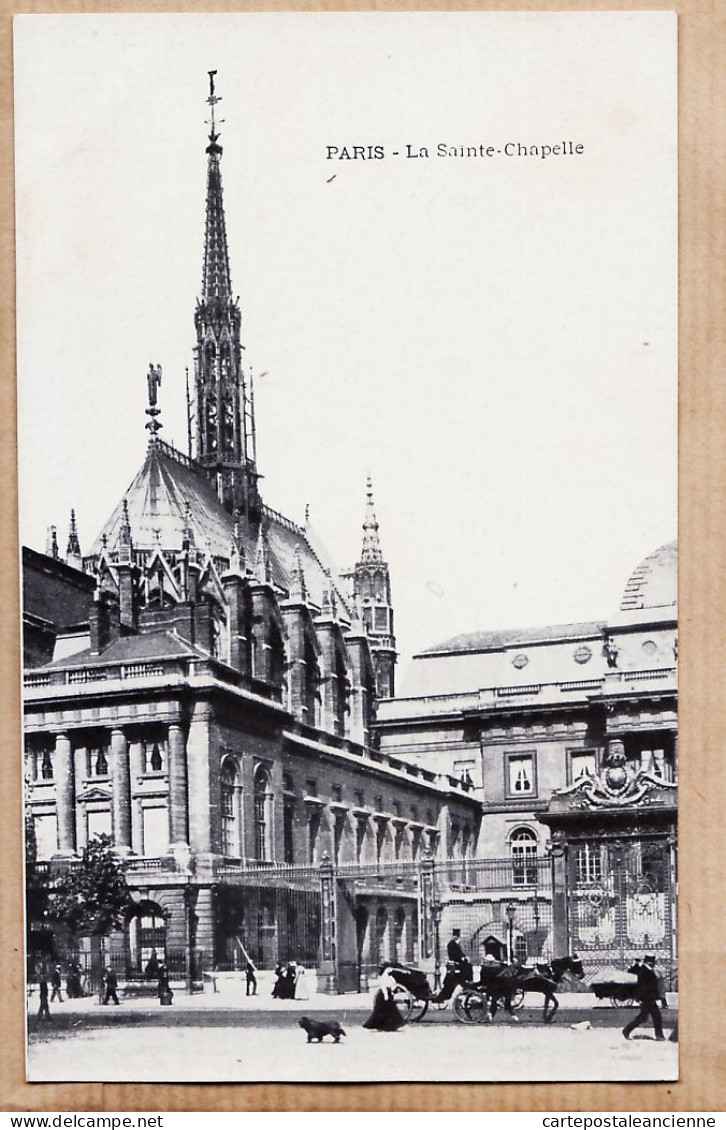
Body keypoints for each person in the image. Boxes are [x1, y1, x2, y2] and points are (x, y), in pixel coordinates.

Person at [622, 956, 665, 1041]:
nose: (654, 963)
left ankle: (626, 1030)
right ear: (650, 961)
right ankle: (659, 1036)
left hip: (648, 997)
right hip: (647, 998)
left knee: (643, 1017)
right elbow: (643, 986)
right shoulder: (645, 970)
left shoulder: (647, 969)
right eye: (653, 961)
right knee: (656, 1017)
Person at [362, 964, 405, 1031]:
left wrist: (392, 992)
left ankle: (389, 1025)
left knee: (390, 1011)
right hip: (383, 996)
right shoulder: (383, 978)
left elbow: (393, 986)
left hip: (388, 995)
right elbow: (383, 987)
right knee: (382, 1011)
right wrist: (386, 995)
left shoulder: (390, 978)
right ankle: (382, 1025)